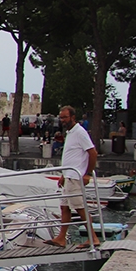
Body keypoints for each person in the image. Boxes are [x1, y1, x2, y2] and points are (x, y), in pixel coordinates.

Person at [47, 106, 99, 248]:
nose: (62, 120)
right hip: (68, 176)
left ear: (73, 117)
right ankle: (61, 238)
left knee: (80, 208)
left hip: (75, 177)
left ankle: (93, 238)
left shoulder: (80, 132)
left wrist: (88, 173)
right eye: (61, 117)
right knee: (64, 207)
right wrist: (63, 175)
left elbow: (93, 153)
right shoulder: (70, 132)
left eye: (65, 117)